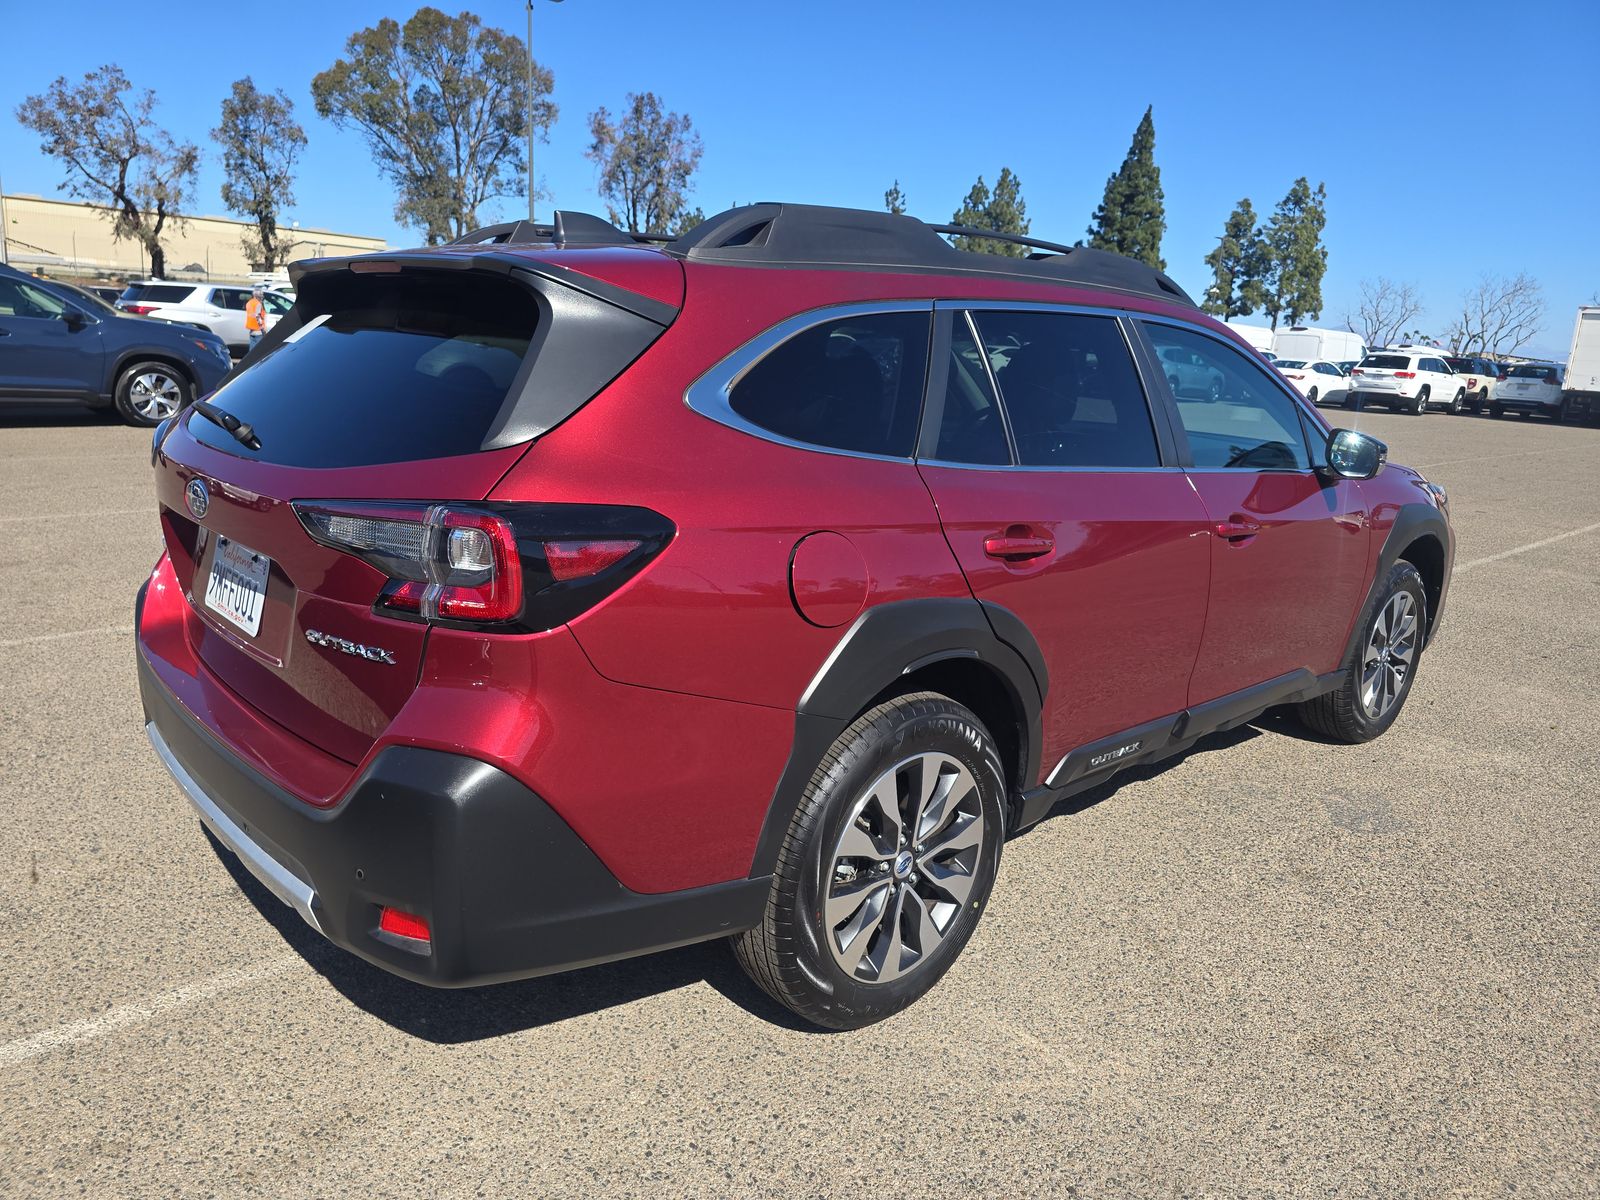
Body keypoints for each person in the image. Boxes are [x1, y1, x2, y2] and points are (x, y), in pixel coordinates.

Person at [244, 285, 268, 351]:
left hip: (251, 330)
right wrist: (263, 329)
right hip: (258, 331)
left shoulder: (249, 303)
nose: (262, 296)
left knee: (252, 351)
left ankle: (250, 361)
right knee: (259, 351)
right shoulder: (258, 304)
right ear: (259, 296)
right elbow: (258, 317)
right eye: (262, 295)